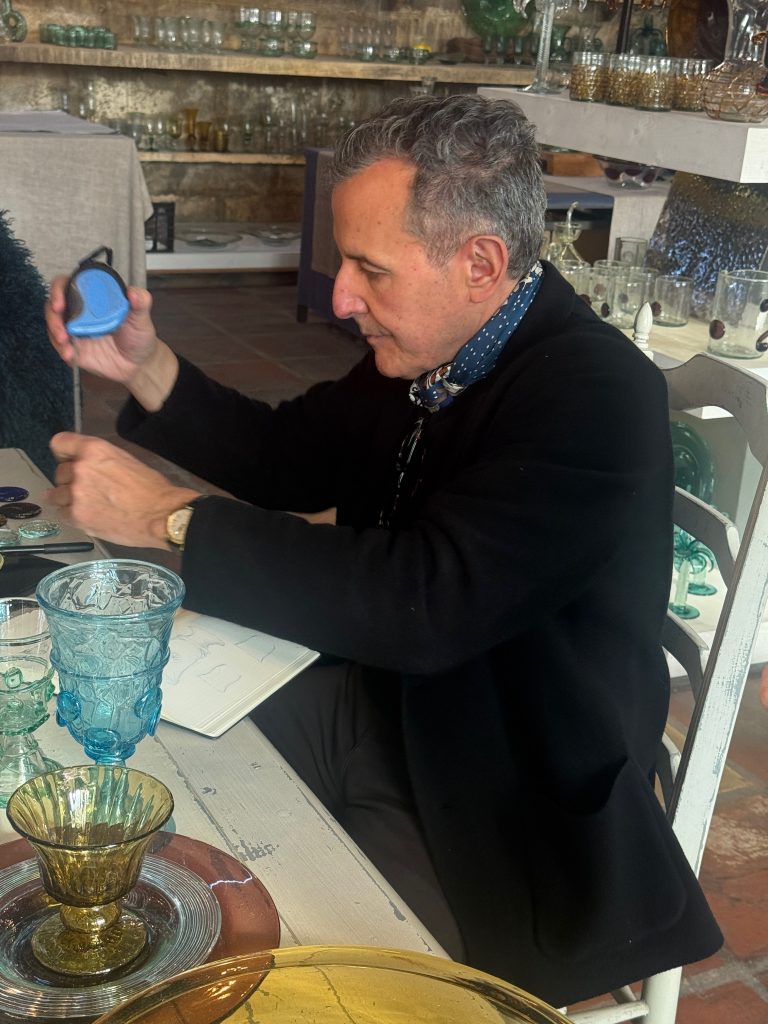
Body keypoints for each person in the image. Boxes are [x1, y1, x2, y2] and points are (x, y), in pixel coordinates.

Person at [44, 93, 722, 1007]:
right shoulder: (438, 349)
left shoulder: (594, 393)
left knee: (320, 994)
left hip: (504, 800)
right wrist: (145, 366)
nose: (339, 296)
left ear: (480, 263)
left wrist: (173, 517)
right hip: (386, 706)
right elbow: (288, 455)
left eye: (370, 268)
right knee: (132, 764)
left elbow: (426, 605)